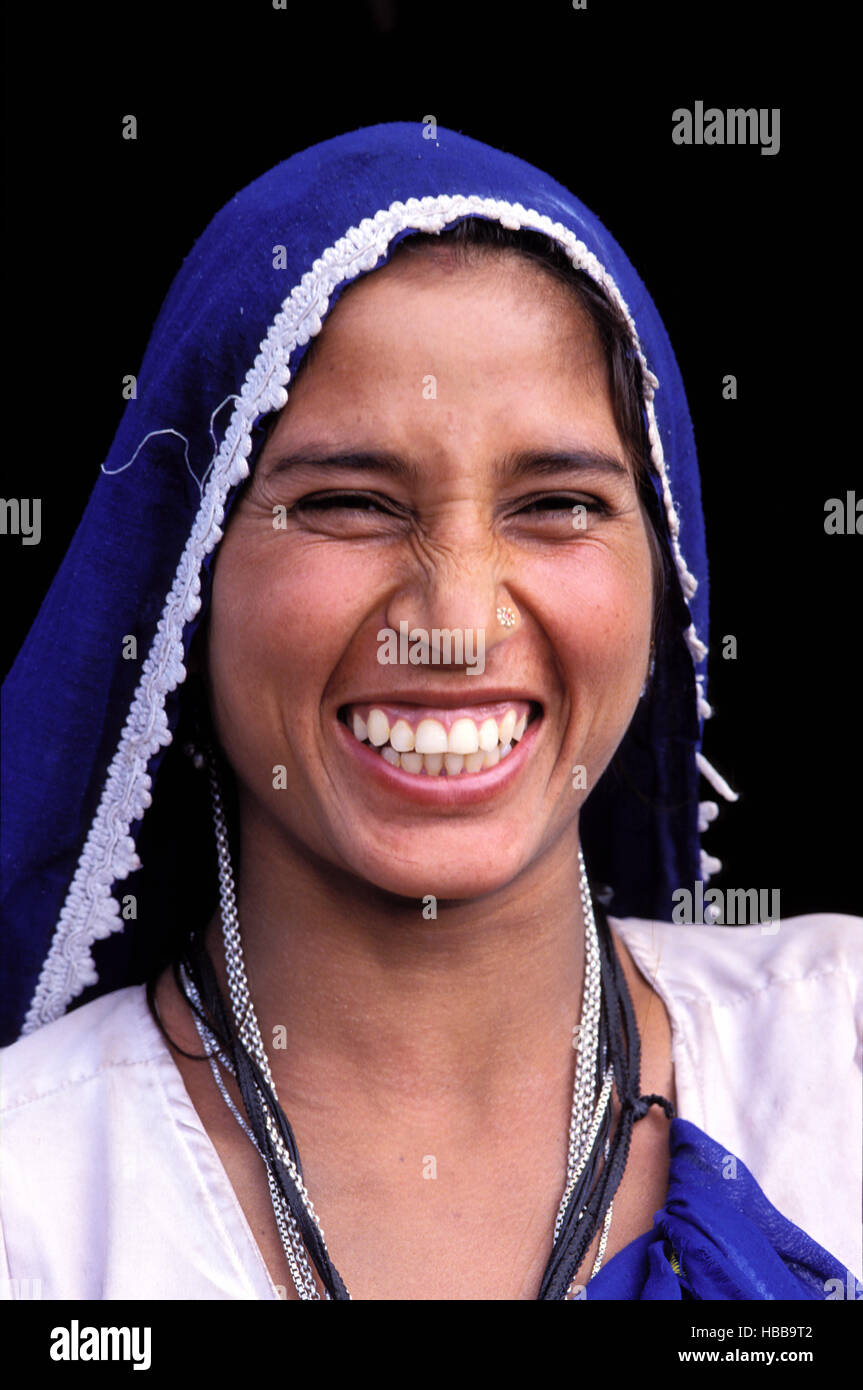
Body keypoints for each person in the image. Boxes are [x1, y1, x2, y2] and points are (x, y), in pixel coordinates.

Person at [1, 122, 859, 1301]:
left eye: (555, 504)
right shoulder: (33, 1204)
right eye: (350, 502)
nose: (452, 622)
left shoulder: (836, 1053)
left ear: (658, 572)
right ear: (188, 577)